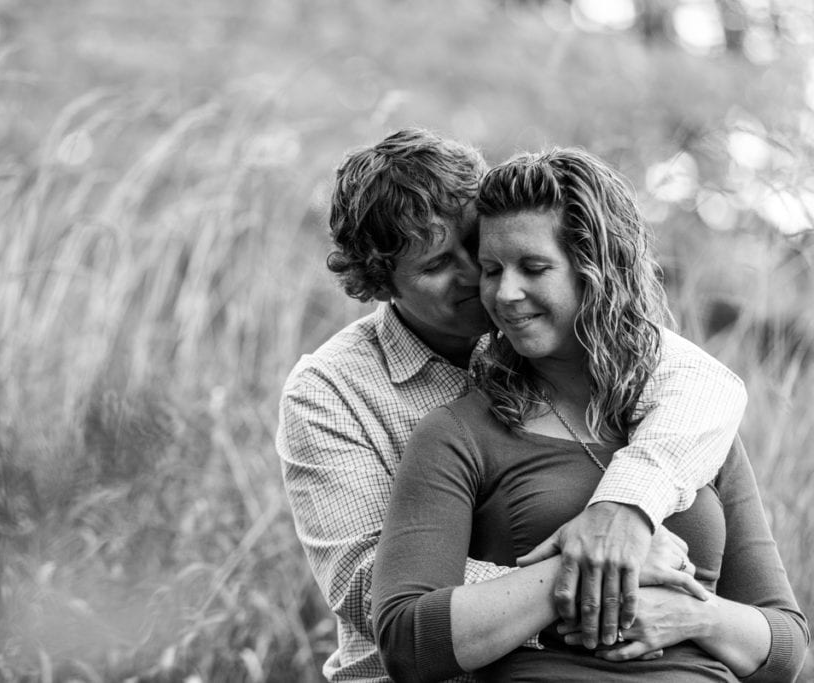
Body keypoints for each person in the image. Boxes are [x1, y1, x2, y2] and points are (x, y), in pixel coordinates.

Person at [277, 128, 749, 681]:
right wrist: (602, 576)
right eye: (435, 266)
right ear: (381, 284)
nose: (479, 276)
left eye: (476, 246)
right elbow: (372, 591)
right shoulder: (330, 390)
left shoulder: (552, 334)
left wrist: (624, 513)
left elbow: (706, 383)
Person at [371, 148, 809, 681]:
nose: (505, 293)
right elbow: (407, 642)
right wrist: (587, 567)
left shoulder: (693, 421)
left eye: (533, 268)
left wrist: (695, 615)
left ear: (597, 272)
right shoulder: (458, 433)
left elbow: (784, 646)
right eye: (491, 270)